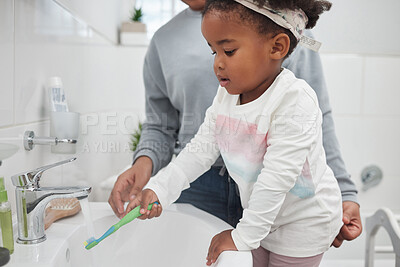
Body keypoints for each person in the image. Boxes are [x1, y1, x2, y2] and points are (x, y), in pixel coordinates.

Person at [108, 0, 362, 250]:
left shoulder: (276, 17)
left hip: (281, 196)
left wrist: (345, 192)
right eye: (213, 51)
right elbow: (166, 128)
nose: (217, 64)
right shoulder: (165, 44)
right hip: (199, 186)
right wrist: (156, 182)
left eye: (228, 51)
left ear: (278, 47)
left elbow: (315, 124)